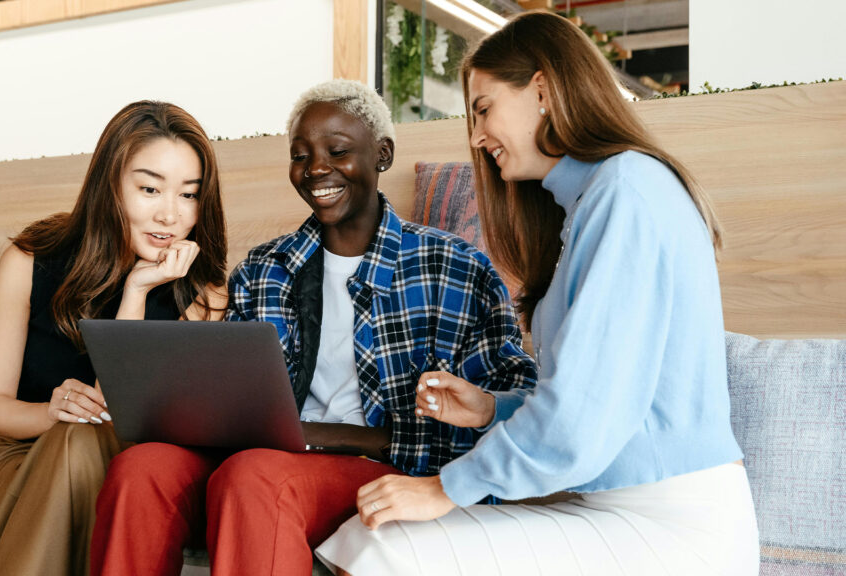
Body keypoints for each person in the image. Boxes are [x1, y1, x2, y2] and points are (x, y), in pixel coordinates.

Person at [315, 11, 760, 576]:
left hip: (674, 527)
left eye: (483, 109)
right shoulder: (591, 202)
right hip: (615, 510)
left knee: (380, 546)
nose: (476, 136)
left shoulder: (626, 191)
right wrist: (490, 410)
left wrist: (447, 488)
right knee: (369, 537)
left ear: (543, 89)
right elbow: (602, 396)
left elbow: (582, 419)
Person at [90, 79, 536, 576]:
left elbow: (516, 393)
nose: (317, 169)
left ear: (382, 154)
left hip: (372, 469)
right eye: (301, 155)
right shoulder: (263, 269)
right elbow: (229, 405)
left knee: (256, 475)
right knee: (141, 468)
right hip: (261, 458)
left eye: (337, 151)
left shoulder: (453, 266)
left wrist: (324, 438)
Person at [0, 101, 228, 576]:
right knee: (73, 442)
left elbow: (113, 413)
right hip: (18, 463)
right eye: (149, 189)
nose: (169, 214)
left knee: (83, 444)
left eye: (188, 195)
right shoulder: (31, 259)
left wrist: (137, 292)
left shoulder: (204, 295)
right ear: (110, 188)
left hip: (125, 475)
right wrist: (50, 413)